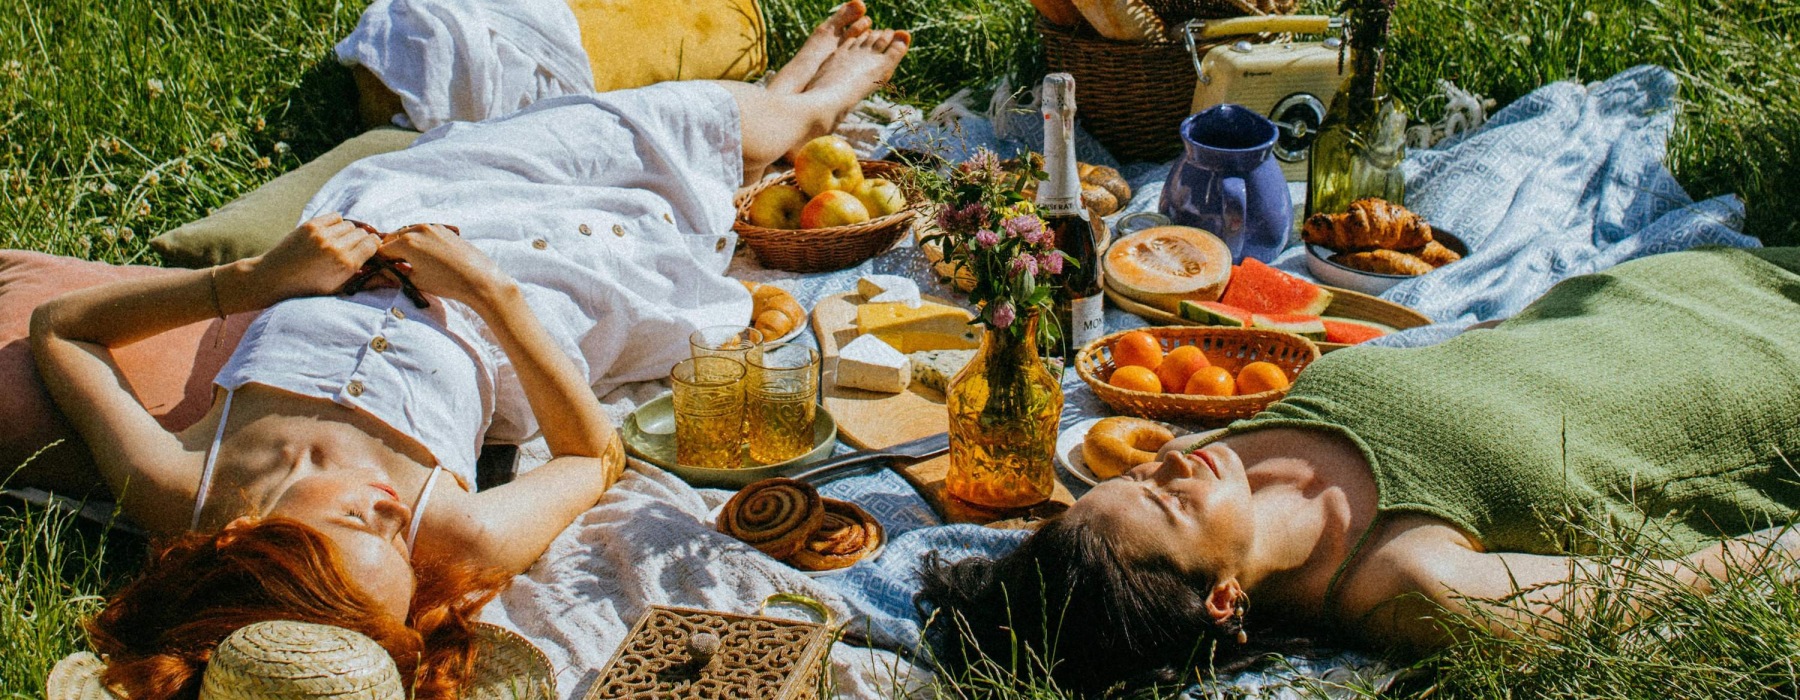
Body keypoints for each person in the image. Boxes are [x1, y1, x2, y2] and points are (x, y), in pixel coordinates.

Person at [26, 5, 909, 698]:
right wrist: (490, 291)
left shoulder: (183, 491)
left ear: (254, 541)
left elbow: (62, 329)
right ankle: (806, 110)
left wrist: (254, 282)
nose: (384, 508)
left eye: (350, 525)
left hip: (392, 210)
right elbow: (593, 455)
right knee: (662, 199)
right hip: (528, 291)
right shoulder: (452, 535)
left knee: (619, 125)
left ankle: (794, 100)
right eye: (396, 543)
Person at [918, 246, 1800, 694]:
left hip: (1661, 286)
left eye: (1142, 475)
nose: (1174, 461)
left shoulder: (1237, 453)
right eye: (1170, 502)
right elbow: (1684, 581)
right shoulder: (1410, 582)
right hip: (1771, 369)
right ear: (1222, 600)